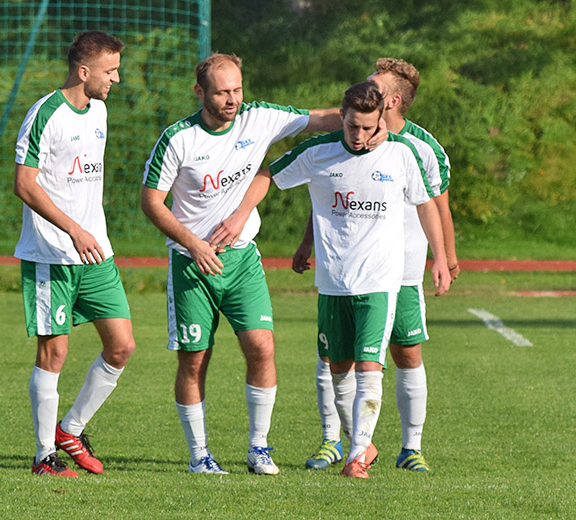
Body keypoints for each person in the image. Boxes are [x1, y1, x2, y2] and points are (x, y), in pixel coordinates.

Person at [140, 53, 385, 475]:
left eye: (237, 89)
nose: (232, 99)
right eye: (222, 92)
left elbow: (323, 118)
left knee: (262, 346)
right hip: (191, 264)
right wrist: (193, 244)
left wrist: (377, 125)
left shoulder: (260, 118)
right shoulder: (178, 139)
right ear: (200, 93)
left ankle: (259, 448)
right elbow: (150, 202)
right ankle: (200, 454)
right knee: (195, 359)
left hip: (242, 261)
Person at [213, 81, 451, 478]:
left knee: (369, 365)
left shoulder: (401, 153)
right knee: (338, 369)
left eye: (367, 128)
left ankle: (357, 456)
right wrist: (239, 217)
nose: (358, 136)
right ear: (342, 117)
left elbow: (426, 205)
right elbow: (268, 176)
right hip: (334, 280)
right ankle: (363, 441)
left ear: (381, 122)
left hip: (381, 280)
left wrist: (440, 257)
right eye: (352, 126)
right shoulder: (317, 152)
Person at [297, 58, 458, 473]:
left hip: (400, 272)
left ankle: (411, 447)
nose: (365, 91)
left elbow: (437, 205)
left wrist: (446, 259)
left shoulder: (421, 147)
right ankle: (335, 441)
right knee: (335, 359)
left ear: (395, 100)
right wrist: (307, 241)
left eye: (376, 87)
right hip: (346, 270)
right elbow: (331, 194)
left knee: (406, 353)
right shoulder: (347, 137)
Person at [13, 30, 135, 477]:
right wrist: (73, 229)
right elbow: (24, 183)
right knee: (55, 354)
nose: (116, 80)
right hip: (51, 254)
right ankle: (45, 456)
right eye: (111, 71)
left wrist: (89, 234)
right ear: (84, 72)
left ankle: (72, 429)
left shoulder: (99, 110)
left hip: (96, 254)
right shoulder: (45, 114)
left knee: (121, 347)